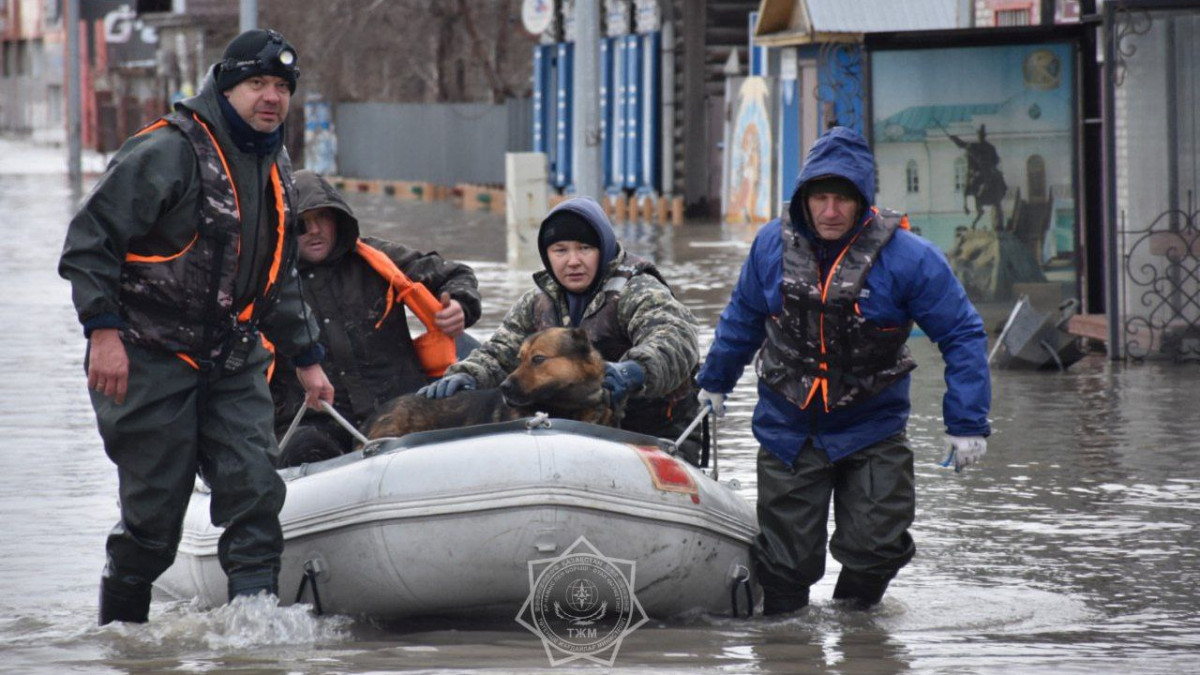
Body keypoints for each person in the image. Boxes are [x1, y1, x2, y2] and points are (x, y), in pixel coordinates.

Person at [58, 29, 334, 625]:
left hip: (234, 359)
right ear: (226, 86)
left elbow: (277, 275)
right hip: (150, 356)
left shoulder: (275, 160)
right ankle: (122, 636)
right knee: (154, 522)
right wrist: (102, 335)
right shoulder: (166, 151)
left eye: (282, 87)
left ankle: (254, 640)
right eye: (257, 83)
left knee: (256, 495)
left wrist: (307, 359)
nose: (272, 98)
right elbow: (89, 243)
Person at [695, 127, 991, 614]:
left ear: (863, 203)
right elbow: (743, 317)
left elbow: (961, 333)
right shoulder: (771, 246)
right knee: (785, 563)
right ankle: (789, 649)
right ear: (804, 200)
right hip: (788, 425)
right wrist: (713, 382)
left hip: (871, 425)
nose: (830, 212)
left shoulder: (909, 259)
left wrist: (967, 423)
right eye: (821, 199)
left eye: (843, 201)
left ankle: (857, 634)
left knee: (879, 547)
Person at [421, 196, 704, 460]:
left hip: (653, 435)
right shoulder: (537, 302)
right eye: (560, 250)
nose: (573, 261)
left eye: (585, 248)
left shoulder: (638, 291)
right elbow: (500, 353)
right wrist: (466, 376)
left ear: (603, 248)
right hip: (571, 433)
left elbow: (676, 339)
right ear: (547, 255)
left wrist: (632, 371)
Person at [270, 170, 482, 467]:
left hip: (400, 410)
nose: (315, 230)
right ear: (286, 227)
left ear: (339, 219)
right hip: (318, 423)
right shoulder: (265, 281)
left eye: (324, 218)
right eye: (304, 223)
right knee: (302, 448)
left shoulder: (377, 258)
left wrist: (460, 305)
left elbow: (456, 273)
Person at [946, 123, 1007, 229]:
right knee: (973, 182)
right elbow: (962, 144)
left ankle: (973, 200)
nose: (980, 137)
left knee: (982, 181)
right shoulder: (978, 146)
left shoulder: (987, 147)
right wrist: (954, 139)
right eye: (980, 135)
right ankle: (967, 204)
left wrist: (987, 163)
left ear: (983, 136)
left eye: (981, 135)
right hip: (984, 171)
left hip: (985, 171)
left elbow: (996, 160)